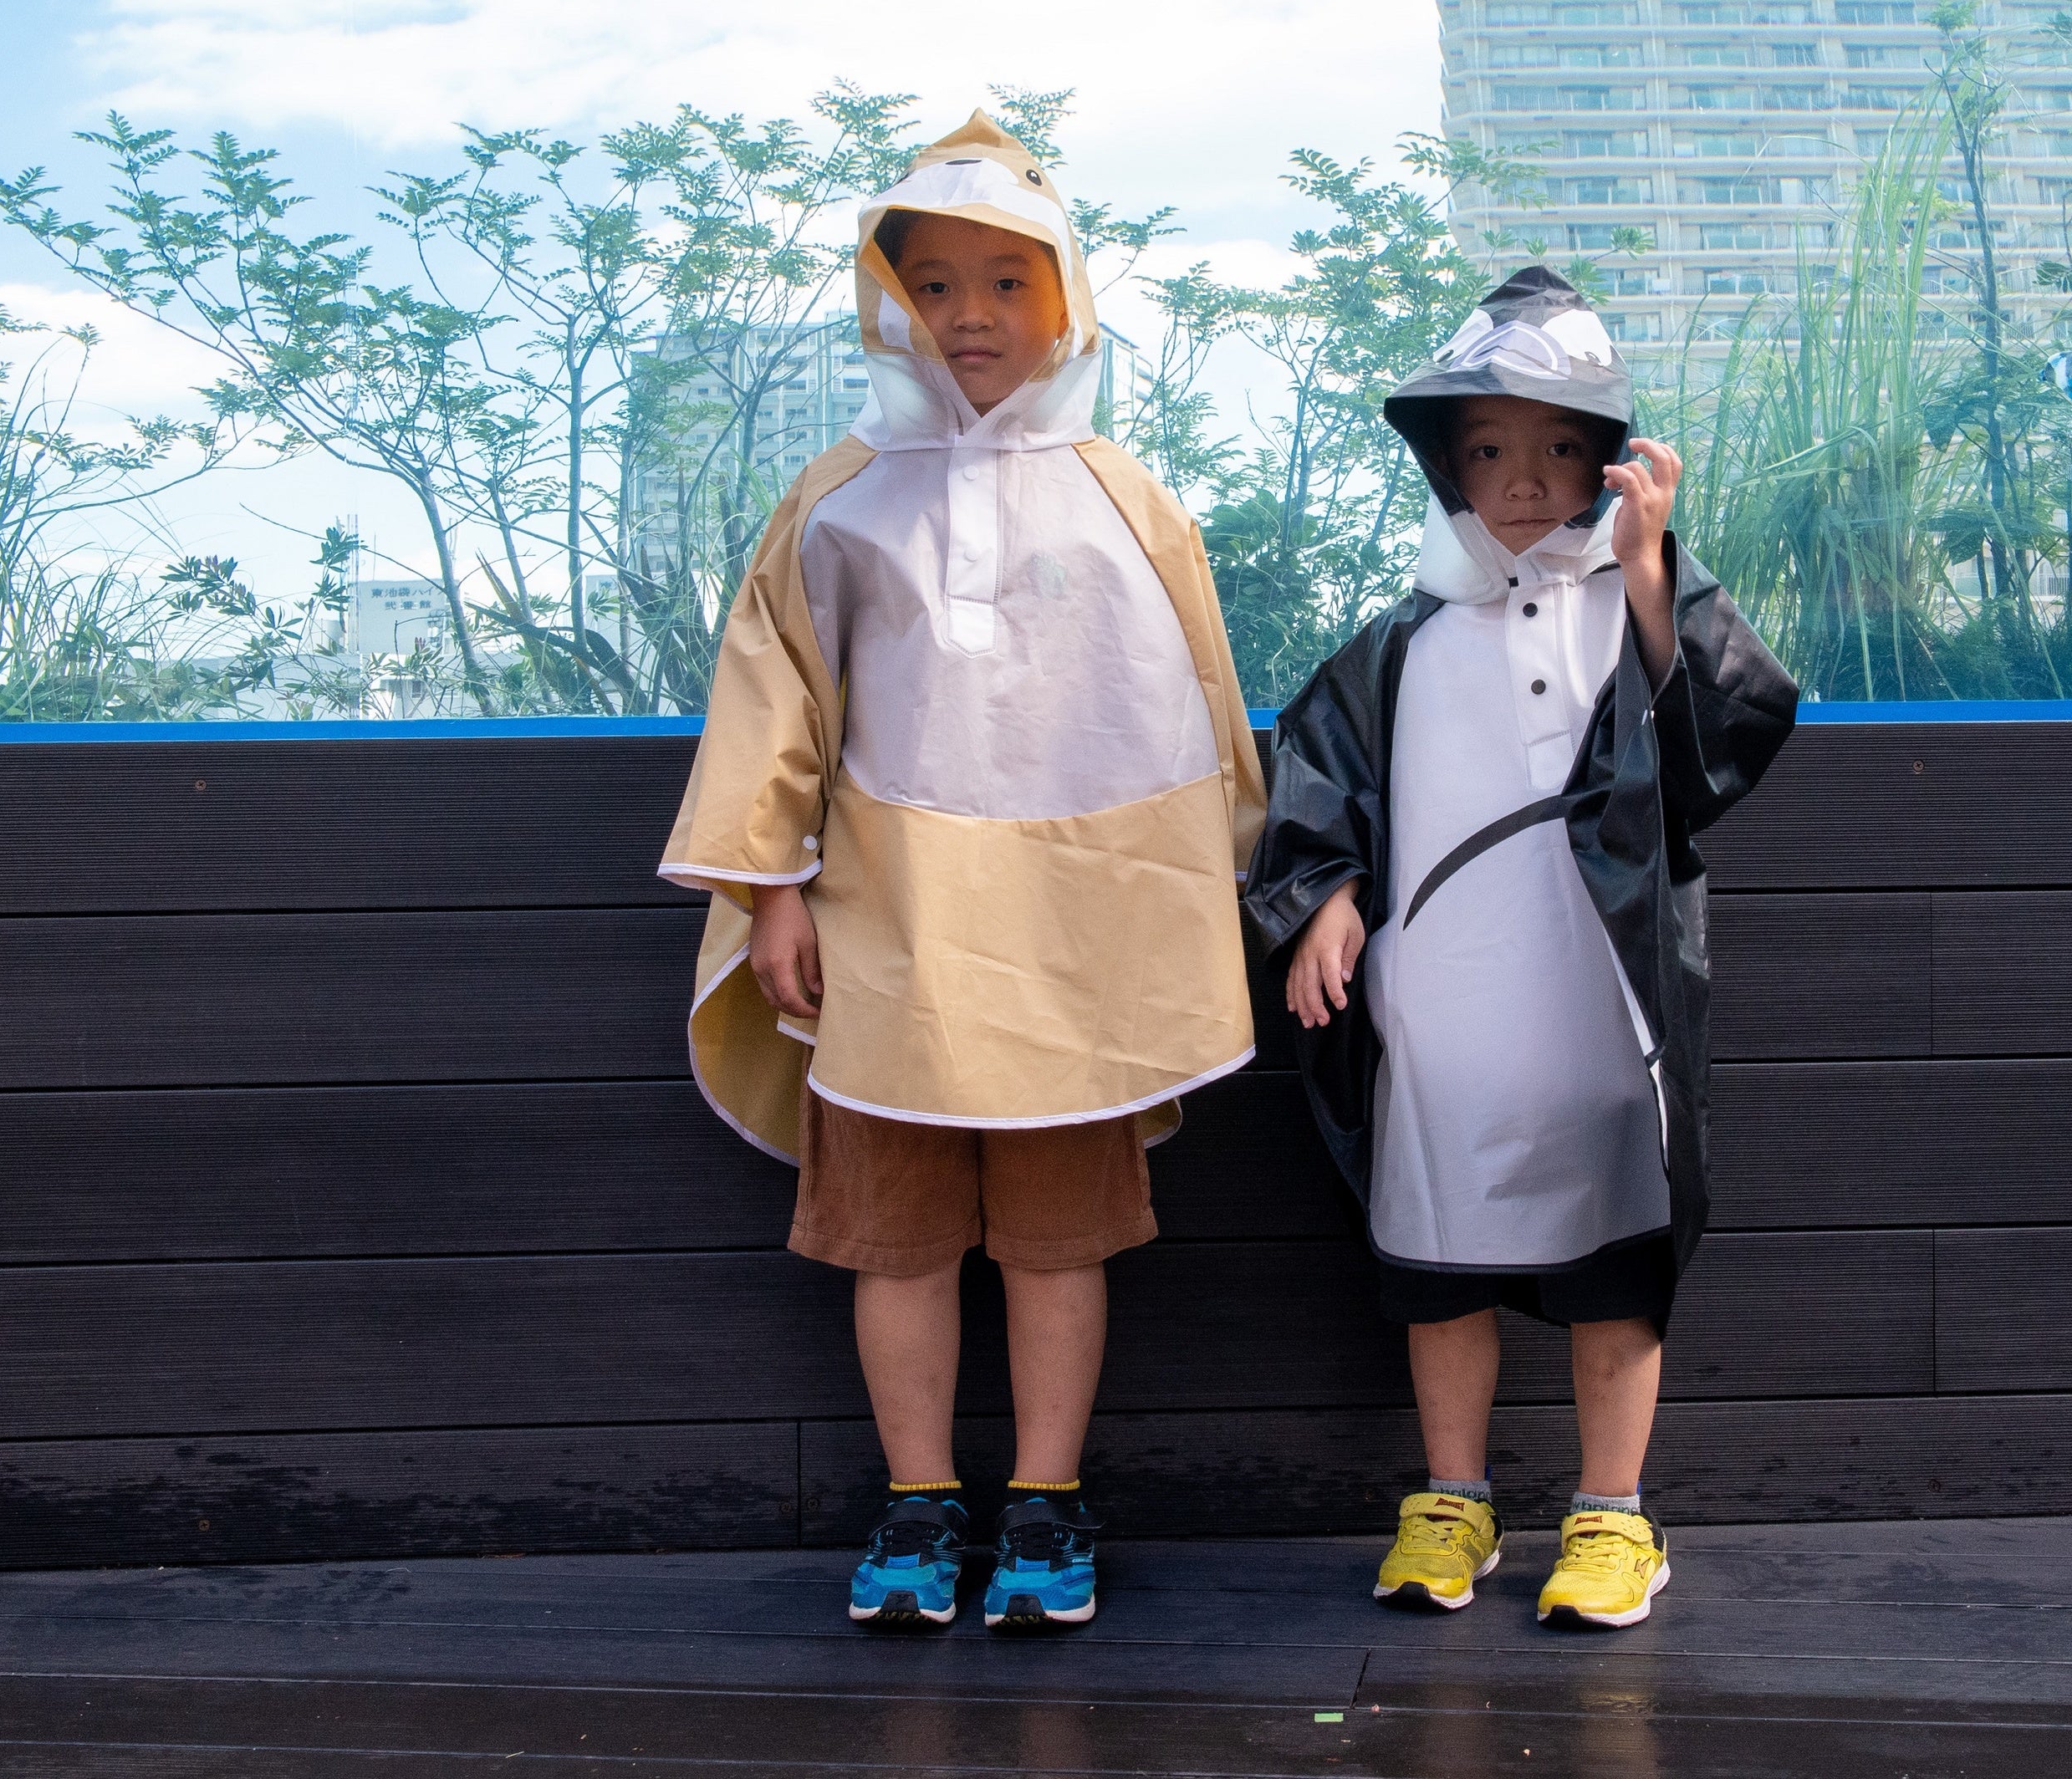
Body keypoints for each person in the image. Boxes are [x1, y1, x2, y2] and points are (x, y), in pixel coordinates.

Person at [660, 112, 1263, 1634]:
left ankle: (1048, 1502)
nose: (973, 316)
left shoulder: (1128, 495)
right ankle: (920, 1500)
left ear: (1066, 300)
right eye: (937, 284)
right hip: (894, 928)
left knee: (1063, 1237)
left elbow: (1196, 710)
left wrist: (1206, 897)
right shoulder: (840, 495)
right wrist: (774, 887)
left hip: (1078, 932)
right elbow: (774, 695)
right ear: (889, 302)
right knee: (897, 1233)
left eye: (1008, 281)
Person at [1247, 267, 1795, 1629]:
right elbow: (1313, 789)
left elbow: (1727, 743)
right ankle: (1452, 1499)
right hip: (1443, 1014)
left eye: (1560, 447)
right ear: (1446, 465)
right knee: (1439, 1263)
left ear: (1609, 461)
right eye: (1488, 449)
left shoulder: (1639, 607)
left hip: (1603, 1008)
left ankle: (1614, 1513)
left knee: (1621, 1267)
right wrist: (1323, 899)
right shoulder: (1399, 646)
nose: (1524, 480)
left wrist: (1654, 574)